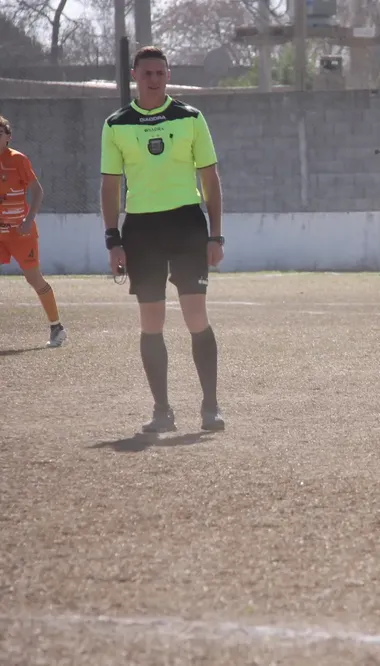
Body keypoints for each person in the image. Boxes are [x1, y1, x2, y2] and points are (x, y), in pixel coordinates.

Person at [100, 46, 226, 434]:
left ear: (168, 75)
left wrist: (215, 234)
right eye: (147, 73)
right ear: (134, 75)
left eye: (160, 72)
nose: (154, 79)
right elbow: (109, 186)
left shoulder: (190, 117)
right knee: (151, 322)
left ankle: (210, 407)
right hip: (141, 231)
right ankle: (162, 411)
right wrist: (113, 239)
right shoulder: (116, 124)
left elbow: (210, 179)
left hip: (187, 226)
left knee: (196, 317)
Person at [0, 115, 67, 348]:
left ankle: (57, 327)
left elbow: (37, 191)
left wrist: (29, 220)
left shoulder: (18, 160)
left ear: (8, 136)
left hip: (21, 232)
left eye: (0, 133)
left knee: (33, 277)